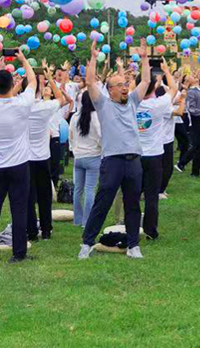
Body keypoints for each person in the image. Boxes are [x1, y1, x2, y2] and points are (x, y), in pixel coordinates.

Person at [78, 46, 150, 260]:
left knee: (133, 204)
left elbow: (146, 81)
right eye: (120, 85)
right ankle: (87, 243)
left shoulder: (133, 102)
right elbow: (90, 82)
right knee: (103, 203)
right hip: (112, 162)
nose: (125, 87)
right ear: (110, 90)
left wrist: (145, 58)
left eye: (126, 84)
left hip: (133, 160)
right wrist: (93, 58)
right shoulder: (103, 104)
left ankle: (133, 246)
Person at [0, 51, 37, 261]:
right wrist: (23, 60)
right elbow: (32, 81)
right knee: (18, 209)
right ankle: (19, 253)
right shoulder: (22, 104)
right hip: (19, 165)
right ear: (13, 84)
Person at [25, 69, 68, 243]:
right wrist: (50, 78)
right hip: (42, 158)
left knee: (28, 197)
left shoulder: (20, 106)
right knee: (45, 196)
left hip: (25, 159)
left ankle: (31, 231)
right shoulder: (43, 107)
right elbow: (61, 99)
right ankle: (46, 230)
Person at [136, 62, 177, 240]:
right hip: (154, 155)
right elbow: (174, 89)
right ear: (154, 87)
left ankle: (132, 226)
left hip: (135, 155)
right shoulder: (159, 104)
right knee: (151, 196)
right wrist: (167, 71)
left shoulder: (131, 103)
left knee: (132, 194)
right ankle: (151, 231)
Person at [69, 89, 103, 228]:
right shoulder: (96, 117)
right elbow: (101, 136)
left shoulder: (75, 116)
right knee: (90, 189)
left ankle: (77, 219)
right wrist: (101, 149)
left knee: (78, 189)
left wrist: (74, 150)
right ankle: (87, 220)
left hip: (78, 157)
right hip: (93, 156)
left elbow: (71, 136)